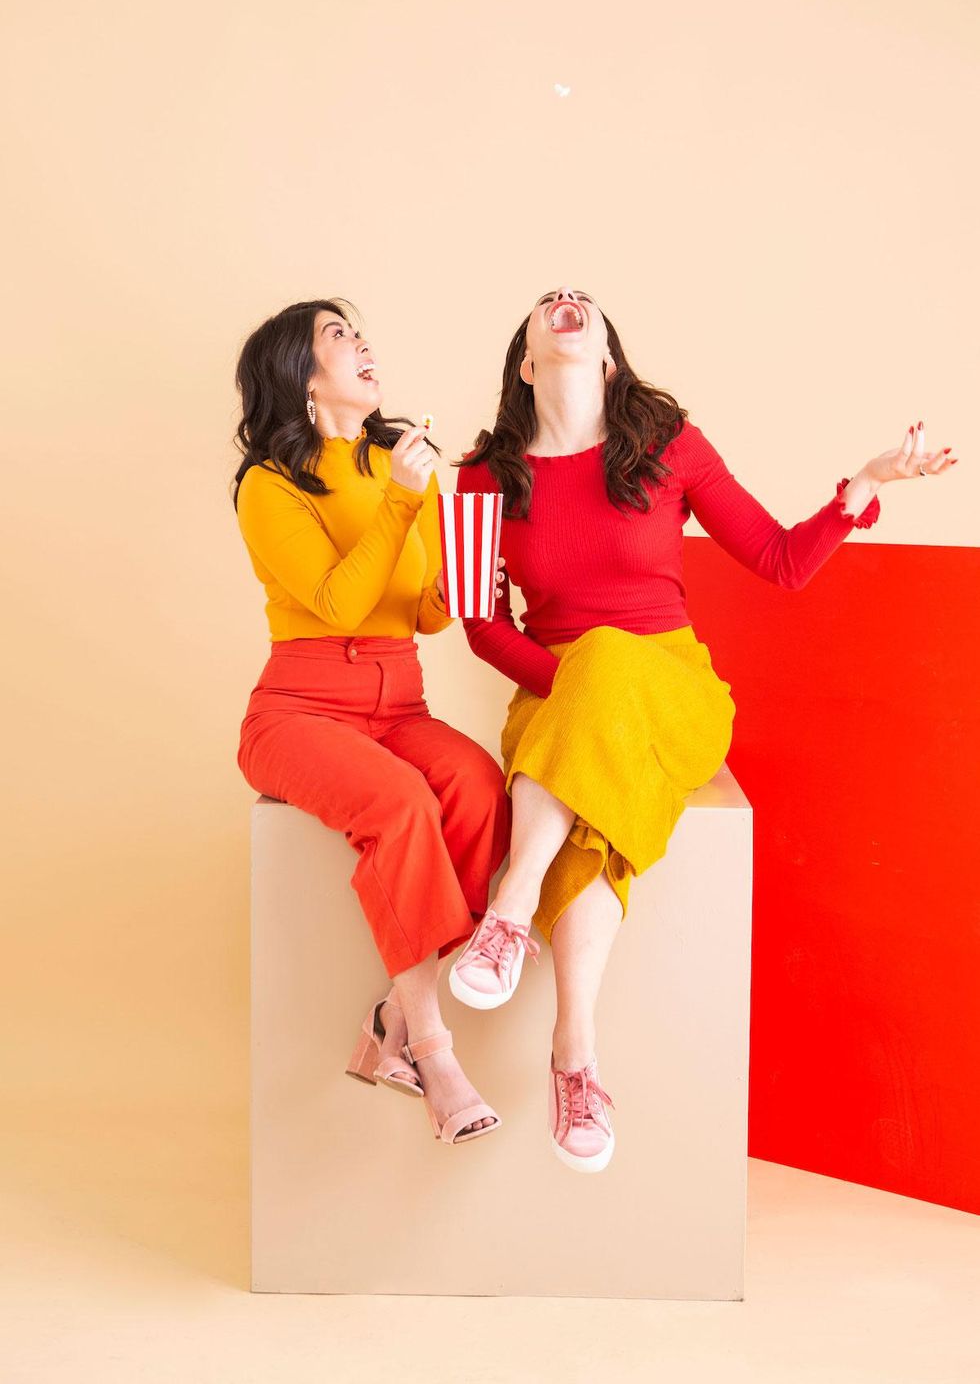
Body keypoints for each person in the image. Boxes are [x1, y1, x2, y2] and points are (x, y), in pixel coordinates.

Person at [450, 284, 958, 1173]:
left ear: (607, 355)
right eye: (545, 302)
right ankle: (577, 1056)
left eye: (583, 299)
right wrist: (579, 684)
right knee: (592, 798)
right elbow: (481, 624)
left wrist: (866, 486)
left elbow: (779, 561)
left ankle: (510, 907)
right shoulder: (481, 478)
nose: (565, 299)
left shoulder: (670, 448)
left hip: (676, 688)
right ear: (527, 362)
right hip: (559, 688)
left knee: (601, 685)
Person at [232, 297, 511, 1145]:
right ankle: (432, 1050)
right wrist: (400, 503)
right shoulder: (269, 484)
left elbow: (419, 615)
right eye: (337, 337)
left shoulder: (400, 467)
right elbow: (334, 604)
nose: (362, 344)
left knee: (476, 786)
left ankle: (389, 1018)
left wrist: (467, 580)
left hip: (399, 699)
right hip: (300, 707)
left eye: (358, 332)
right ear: (301, 376)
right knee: (399, 805)